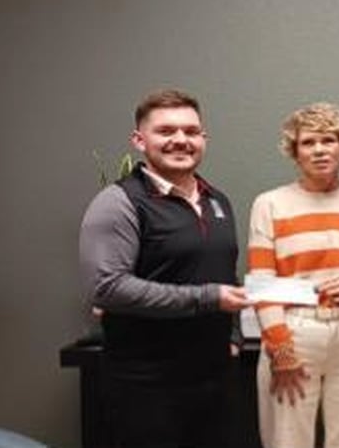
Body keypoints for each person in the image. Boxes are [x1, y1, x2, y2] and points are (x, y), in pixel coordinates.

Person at [79, 89, 249, 448]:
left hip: (215, 382)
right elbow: (107, 288)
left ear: (204, 139)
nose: (181, 140)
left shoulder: (217, 200)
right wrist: (209, 298)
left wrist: (233, 335)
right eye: (166, 131)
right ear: (139, 140)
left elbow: (224, 271)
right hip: (147, 388)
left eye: (191, 131)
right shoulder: (118, 202)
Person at [248, 102, 339, 448]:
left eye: (328, 140)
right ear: (294, 151)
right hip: (294, 331)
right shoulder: (269, 204)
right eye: (308, 142)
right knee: (287, 440)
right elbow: (262, 284)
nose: (319, 150)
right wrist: (281, 348)